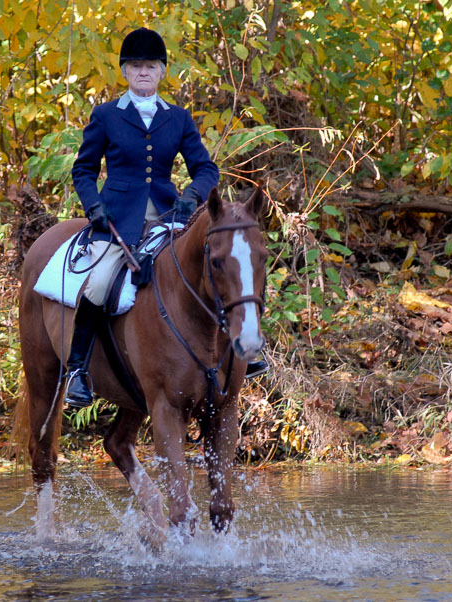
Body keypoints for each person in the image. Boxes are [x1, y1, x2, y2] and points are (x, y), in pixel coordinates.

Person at [65, 27, 266, 408]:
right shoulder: (106, 115)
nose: (144, 72)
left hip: (169, 216)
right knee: (99, 283)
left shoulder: (177, 118)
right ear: (125, 71)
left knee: (222, 271)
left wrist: (192, 197)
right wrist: (94, 208)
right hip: (117, 219)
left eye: (151, 66)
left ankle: (250, 349)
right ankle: (78, 371)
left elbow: (205, 168)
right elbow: (83, 170)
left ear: (161, 72)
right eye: (137, 66)